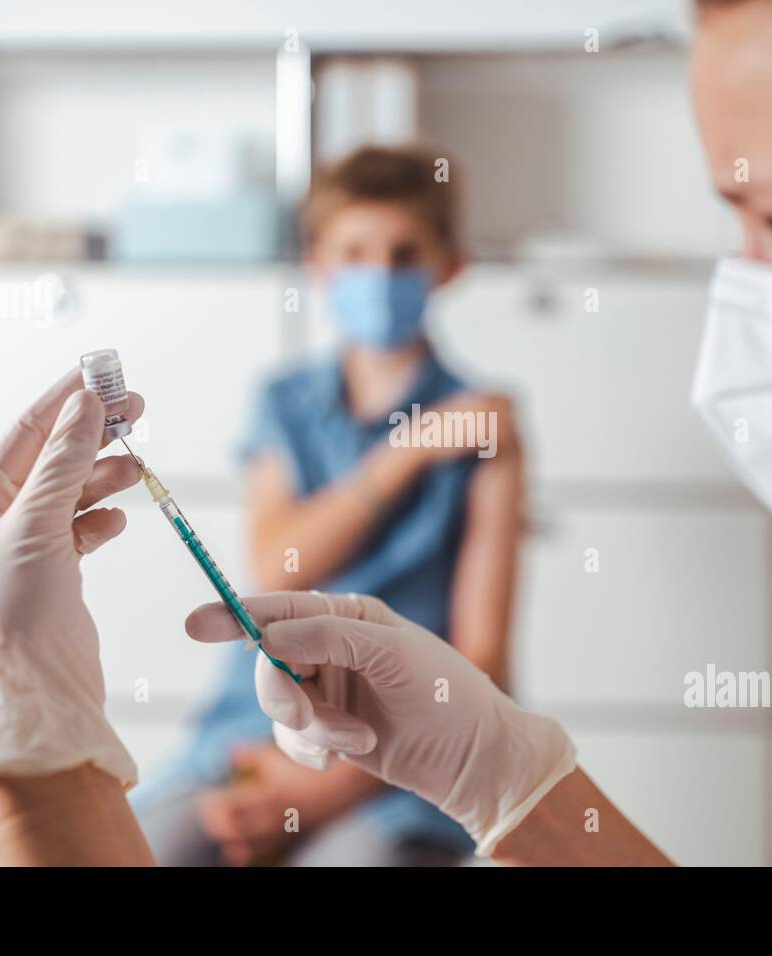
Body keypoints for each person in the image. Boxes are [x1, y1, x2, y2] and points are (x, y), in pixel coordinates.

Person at [0, 0, 772, 865]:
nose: (749, 296)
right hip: (263, 746)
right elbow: (276, 566)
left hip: (365, 800)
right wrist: (505, 772)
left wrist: (40, 777)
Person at [132, 146, 522, 866]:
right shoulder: (284, 403)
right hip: (246, 742)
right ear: (318, 263)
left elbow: (483, 659)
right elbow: (276, 570)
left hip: (405, 770)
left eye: (405, 253)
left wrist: (320, 793)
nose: (378, 274)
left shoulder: (488, 429)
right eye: (354, 252)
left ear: (450, 265)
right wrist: (407, 452)